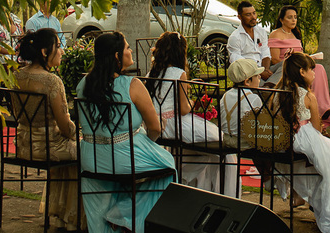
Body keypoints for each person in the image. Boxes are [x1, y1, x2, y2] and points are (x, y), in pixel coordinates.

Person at [75, 32, 175, 233]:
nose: (130, 51)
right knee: (169, 167)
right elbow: (155, 127)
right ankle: (124, 215)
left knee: (102, 192)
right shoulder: (133, 85)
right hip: (125, 156)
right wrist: (149, 142)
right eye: (127, 48)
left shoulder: (82, 85)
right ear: (116, 56)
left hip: (90, 157)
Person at [270, 52, 330, 233]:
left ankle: (303, 195)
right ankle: (328, 209)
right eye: (311, 69)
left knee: (322, 164)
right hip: (304, 138)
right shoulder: (308, 96)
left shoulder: (278, 93)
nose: (314, 72)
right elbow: (317, 127)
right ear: (302, 72)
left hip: (283, 139)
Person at [146, 31, 237, 194]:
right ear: (180, 53)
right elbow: (183, 108)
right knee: (223, 144)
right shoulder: (178, 74)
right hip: (175, 125)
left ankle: (194, 186)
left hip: (156, 124)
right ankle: (225, 193)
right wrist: (194, 103)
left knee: (205, 154)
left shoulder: (151, 74)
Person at [14, 29, 80, 231]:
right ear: (44, 52)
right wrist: (80, 133)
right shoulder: (52, 81)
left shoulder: (17, 75)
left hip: (23, 144)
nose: (61, 51)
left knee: (75, 148)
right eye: (58, 47)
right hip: (47, 147)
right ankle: (73, 217)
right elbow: (65, 127)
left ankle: (62, 215)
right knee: (87, 151)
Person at [268, 5, 330, 123]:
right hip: (286, 68)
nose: (293, 20)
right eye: (289, 17)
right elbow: (275, 59)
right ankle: (317, 110)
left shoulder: (295, 34)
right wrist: (291, 60)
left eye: (295, 17)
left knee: (319, 68)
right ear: (281, 20)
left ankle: (322, 108)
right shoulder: (276, 34)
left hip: (301, 66)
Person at [219, 58, 264, 150]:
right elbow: (260, 124)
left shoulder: (225, 95)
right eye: (256, 75)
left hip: (226, 139)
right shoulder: (253, 98)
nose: (259, 77)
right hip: (245, 142)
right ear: (247, 81)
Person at [227, 1, 272, 80]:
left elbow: (265, 53)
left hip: (263, 68)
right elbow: (238, 62)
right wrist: (259, 72)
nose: (253, 17)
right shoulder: (235, 37)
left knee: (284, 66)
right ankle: (268, 86)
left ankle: (267, 85)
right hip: (249, 74)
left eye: (254, 13)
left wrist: (265, 70)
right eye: (248, 15)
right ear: (240, 17)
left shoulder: (261, 32)